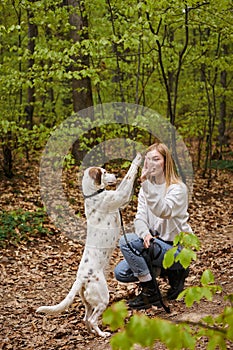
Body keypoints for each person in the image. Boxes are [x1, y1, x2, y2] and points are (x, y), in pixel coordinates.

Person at [114, 142, 193, 310]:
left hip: (177, 249)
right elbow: (140, 218)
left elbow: (163, 210)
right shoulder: (146, 189)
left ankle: (151, 292)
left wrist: (145, 184)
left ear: (166, 162)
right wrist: (145, 234)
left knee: (125, 241)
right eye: (148, 160)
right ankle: (165, 272)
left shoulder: (178, 189)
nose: (151, 164)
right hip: (156, 244)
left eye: (156, 159)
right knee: (121, 272)